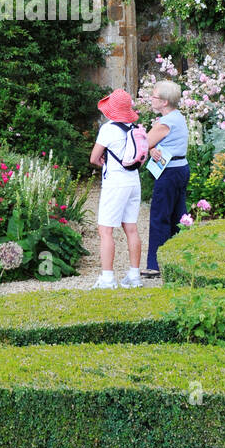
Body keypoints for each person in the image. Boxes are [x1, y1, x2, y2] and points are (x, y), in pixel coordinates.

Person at [89, 89, 143, 290]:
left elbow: (94, 158)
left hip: (115, 183)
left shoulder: (108, 129)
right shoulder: (134, 127)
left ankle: (108, 278)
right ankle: (134, 275)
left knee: (105, 230)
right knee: (131, 228)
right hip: (133, 181)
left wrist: (102, 161)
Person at [144, 80, 190, 279]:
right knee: (178, 215)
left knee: (159, 216)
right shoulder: (178, 117)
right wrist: (152, 148)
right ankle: (180, 258)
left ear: (164, 102)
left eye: (154, 97)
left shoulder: (165, 122)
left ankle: (155, 264)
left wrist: (148, 147)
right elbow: (155, 144)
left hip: (168, 172)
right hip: (181, 169)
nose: (151, 99)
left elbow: (142, 143)